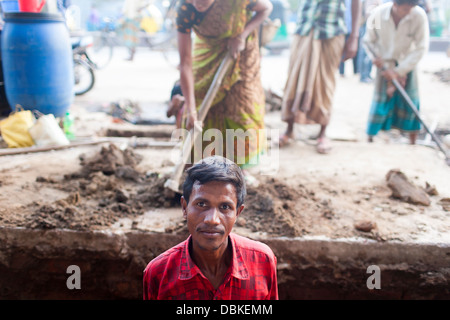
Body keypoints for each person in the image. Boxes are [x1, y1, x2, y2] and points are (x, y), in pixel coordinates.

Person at [143, 156, 278, 300]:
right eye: (201, 204)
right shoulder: (158, 273)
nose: (212, 220)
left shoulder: (262, 261)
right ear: (184, 208)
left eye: (225, 207)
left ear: (238, 213)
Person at [176, 0, 273, 181]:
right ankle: (203, 164)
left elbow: (266, 8)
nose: (197, 3)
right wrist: (191, 109)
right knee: (200, 103)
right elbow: (185, 64)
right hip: (207, 52)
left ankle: (239, 169)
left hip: (241, 52)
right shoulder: (185, 8)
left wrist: (242, 35)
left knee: (242, 107)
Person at [279, 0, 362, 154]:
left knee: (325, 83)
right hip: (304, 28)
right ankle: (289, 130)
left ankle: (322, 134)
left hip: (332, 31)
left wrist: (354, 37)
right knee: (294, 81)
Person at [363, 0, 429, 144]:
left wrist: (400, 71)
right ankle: (371, 138)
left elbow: (421, 47)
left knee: (411, 101)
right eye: (405, 9)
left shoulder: (419, 15)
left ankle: (413, 140)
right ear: (395, 5)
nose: (409, 12)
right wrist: (376, 58)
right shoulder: (377, 14)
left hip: (407, 63)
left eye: (412, 8)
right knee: (380, 100)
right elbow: (368, 41)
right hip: (384, 65)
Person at [358, 0, 382, 83]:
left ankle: (366, 75)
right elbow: (369, 13)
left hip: (371, 25)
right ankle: (364, 76)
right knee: (366, 53)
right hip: (369, 25)